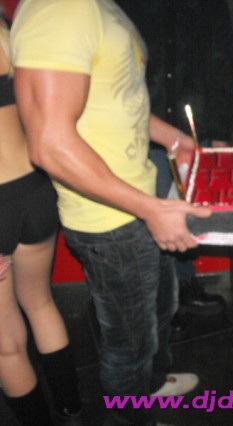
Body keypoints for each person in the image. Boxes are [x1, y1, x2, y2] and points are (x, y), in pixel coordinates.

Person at [10, 0, 212, 424]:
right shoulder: (59, 8)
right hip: (111, 220)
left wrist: (175, 140)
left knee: (160, 311)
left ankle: (151, 389)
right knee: (130, 346)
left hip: (137, 200)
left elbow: (116, 98)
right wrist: (150, 209)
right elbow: (49, 144)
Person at [116, 0, 233, 340]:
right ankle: (156, 300)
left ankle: (181, 287)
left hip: (191, 124)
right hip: (142, 124)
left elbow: (220, 62)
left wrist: (221, 133)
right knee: (146, 219)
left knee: (186, 213)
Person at [0, 8, 81, 425]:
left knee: (6, 344)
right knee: (40, 301)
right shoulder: (12, 33)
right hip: (35, 189)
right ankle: (71, 410)